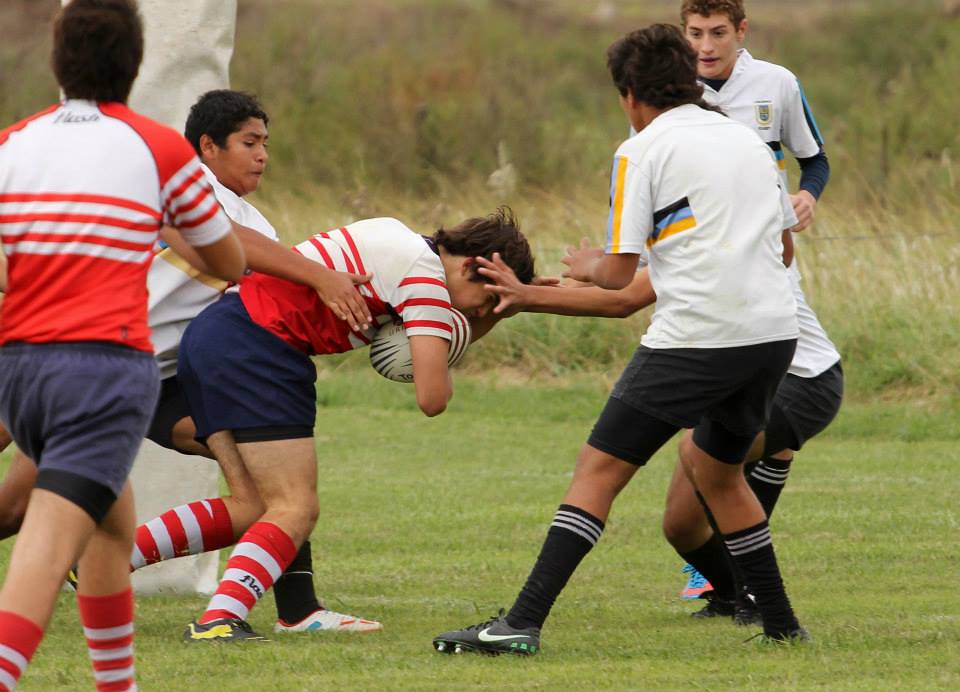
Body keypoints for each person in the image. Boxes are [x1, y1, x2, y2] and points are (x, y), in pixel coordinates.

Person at [432, 24, 806, 656]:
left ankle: (520, 623)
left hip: (697, 338)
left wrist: (583, 266)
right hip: (772, 334)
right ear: (689, 79)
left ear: (630, 93)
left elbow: (614, 276)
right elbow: (784, 244)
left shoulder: (641, 149)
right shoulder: (747, 142)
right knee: (719, 476)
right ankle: (781, 625)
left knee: (598, 471)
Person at [0, 88, 382, 633]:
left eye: (266, 144)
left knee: (274, 464)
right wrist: (321, 275)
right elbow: (232, 241)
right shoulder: (182, 187)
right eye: (250, 142)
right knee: (14, 509)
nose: (262, 156)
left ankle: (298, 609)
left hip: (151, 381)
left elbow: (262, 286)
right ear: (208, 146)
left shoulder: (262, 228)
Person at [0, 1, 245, 689]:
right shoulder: (159, 148)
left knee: (112, 524)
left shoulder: (14, 141)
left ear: (57, 61)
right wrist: (159, 228)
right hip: (103, 370)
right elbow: (228, 264)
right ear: (134, 65)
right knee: (49, 544)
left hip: (19, 372)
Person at [172, 207, 535, 642]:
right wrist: (492, 319)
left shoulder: (400, 239)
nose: (481, 312)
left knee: (254, 505)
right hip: (260, 345)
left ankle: (106, 558)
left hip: (216, 333)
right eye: (489, 298)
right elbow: (433, 397)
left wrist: (479, 317)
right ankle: (219, 620)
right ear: (471, 266)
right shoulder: (425, 280)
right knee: (295, 507)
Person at [671, 0, 842, 612]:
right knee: (733, 432)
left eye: (718, 33)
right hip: (712, 278)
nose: (706, 46)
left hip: (766, 263)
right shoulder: (672, 93)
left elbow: (815, 159)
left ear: (741, 32)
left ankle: (735, 574)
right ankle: (732, 573)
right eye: (694, 34)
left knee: (765, 387)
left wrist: (806, 196)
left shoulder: (777, 84)